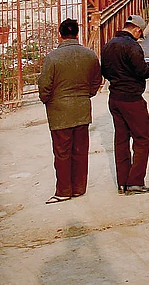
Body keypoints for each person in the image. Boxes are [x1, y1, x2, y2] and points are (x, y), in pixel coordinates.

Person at [38, 19, 103, 204]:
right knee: (80, 150)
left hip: (59, 111)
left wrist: (47, 100)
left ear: (60, 35)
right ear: (77, 34)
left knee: (62, 152)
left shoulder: (53, 58)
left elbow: (45, 85)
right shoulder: (89, 55)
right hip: (82, 108)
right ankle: (79, 188)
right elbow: (96, 80)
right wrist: (87, 94)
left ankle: (64, 190)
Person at [100, 15, 149, 195]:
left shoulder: (108, 45)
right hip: (132, 99)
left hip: (114, 97)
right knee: (142, 138)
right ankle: (135, 181)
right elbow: (142, 72)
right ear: (137, 30)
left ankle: (122, 183)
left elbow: (105, 72)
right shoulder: (133, 47)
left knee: (121, 140)